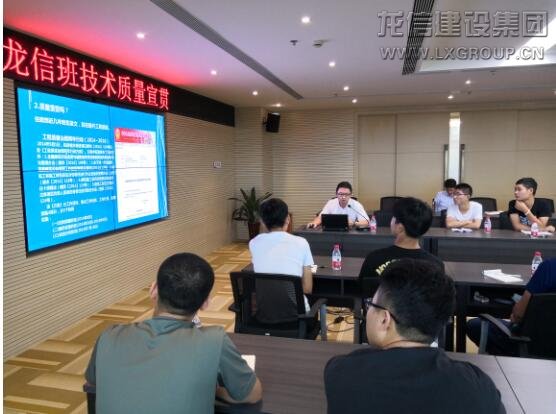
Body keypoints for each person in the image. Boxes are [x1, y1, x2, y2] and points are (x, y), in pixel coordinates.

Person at [85, 253, 262, 414]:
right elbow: (252, 394)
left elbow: (93, 382)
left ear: (153, 290)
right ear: (206, 303)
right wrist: (213, 389)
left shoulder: (109, 336)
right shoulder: (214, 340)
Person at [325, 259, 505, 414]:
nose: (368, 309)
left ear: (384, 319)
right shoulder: (478, 387)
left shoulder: (340, 373)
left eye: (371, 304)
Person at [467, 257, 556, 356]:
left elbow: (518, 315)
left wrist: (515, 314)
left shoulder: (549, 267)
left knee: (474, 325)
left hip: (528, 344)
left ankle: (509, 360)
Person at [358, 197, 444, 298]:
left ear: (399, 227)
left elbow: (361, 291)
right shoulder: (436, 264)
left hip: (381, 307)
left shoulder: (374, 258)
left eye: (393, 217)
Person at [250, 198, 314, 313]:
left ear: (262, 221)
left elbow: (262, 236)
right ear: (288, 218)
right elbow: (307, 288)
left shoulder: (253, 243)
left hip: (265, 314)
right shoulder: (301, 243)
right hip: (297, 316)